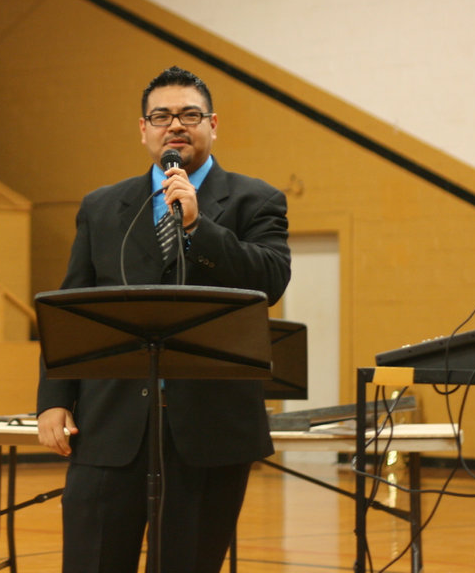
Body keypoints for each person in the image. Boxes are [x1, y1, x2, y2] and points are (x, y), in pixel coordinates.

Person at [35, 66, 291, 573]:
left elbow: (271, 281)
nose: (175, 125)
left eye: (189, 114)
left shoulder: (255, 200)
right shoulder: (102, 207)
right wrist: (53, 399)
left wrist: (199, 225)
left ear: (212, 124)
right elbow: (71, 306)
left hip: (208, 430)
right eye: (162, 116)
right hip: (108, 425)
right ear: (144, 129)